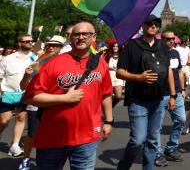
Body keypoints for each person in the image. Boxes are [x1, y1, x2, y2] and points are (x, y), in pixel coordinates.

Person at [23, 22, 113, 170]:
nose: (81, 38)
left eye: (86, 34)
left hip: (87, 138)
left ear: (94, 37)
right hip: (53, 137)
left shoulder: (101, 64)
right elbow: (30, 97)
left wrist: (109, 121)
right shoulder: (52, 63)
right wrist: (63, 98)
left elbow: (106, 94)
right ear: (70, 38)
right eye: (77, 34)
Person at [116, 14, 177, 170]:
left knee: (152, 141)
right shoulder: (132, 46)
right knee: (137, 140)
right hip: (138, 101)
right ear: (142, 25)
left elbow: (168, 70)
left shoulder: (162, 46)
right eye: (150, 23)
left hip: (158, 100)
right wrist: (139, 77)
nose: (154, 26)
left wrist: (172, 95)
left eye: (156, 23)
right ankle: (123, 167)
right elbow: (120, 72)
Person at [18, 35, 65, 170]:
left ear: (61, 48)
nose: (51, 47)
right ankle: (26, 159)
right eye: (49, 44)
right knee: (33, 133)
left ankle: (48, 162)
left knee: (55, 135)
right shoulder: (39, 62)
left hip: (57, 105)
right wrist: (27, 75)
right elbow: (23, 87)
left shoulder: (65, 62)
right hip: (37, 104)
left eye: (55, 45)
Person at [0, 33, 35, 157]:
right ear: (20, 43)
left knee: (20, 118)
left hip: (25, 94)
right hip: (7, 93)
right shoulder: (8, 58)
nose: (30, 43)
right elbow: (0, 76)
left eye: (31, 41)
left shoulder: (34, 58)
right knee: (4, 121)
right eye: (26, 41)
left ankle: (14, 146)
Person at [156, 30, 186, 163]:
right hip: (160, 94)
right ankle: (157, 153)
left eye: (173, 39)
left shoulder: (175, 52)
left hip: (177, 93)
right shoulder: (156, 53)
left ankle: (171, 148)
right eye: (168, 39)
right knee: (157, 126)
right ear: (162, 39)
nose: (172, 41)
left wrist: (183, 89)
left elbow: (179, 71)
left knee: (181, 120)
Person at [105, 39, 124, 107]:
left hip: (118, 77)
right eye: (114, 46)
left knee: (118, 96)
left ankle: (110, 107)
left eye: (117, 46)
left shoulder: (122, 56)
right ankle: (107, 111)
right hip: (109, 77)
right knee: (107, 96)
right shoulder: (107, 56)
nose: (115, 47)